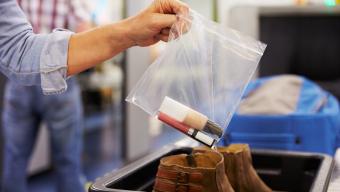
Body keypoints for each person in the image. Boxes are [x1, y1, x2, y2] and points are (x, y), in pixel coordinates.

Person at [0, 0, 189, 95]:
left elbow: (18, 51)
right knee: (67, 159)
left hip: (18, 85)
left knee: (16, 155)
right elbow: (84, 26)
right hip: (60, 74)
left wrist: (132, 31)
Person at [1, 0, 91, 191]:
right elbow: (85, 31)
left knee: (15, 159)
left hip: (19, 81)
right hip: (58, 78)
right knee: (67, 161)